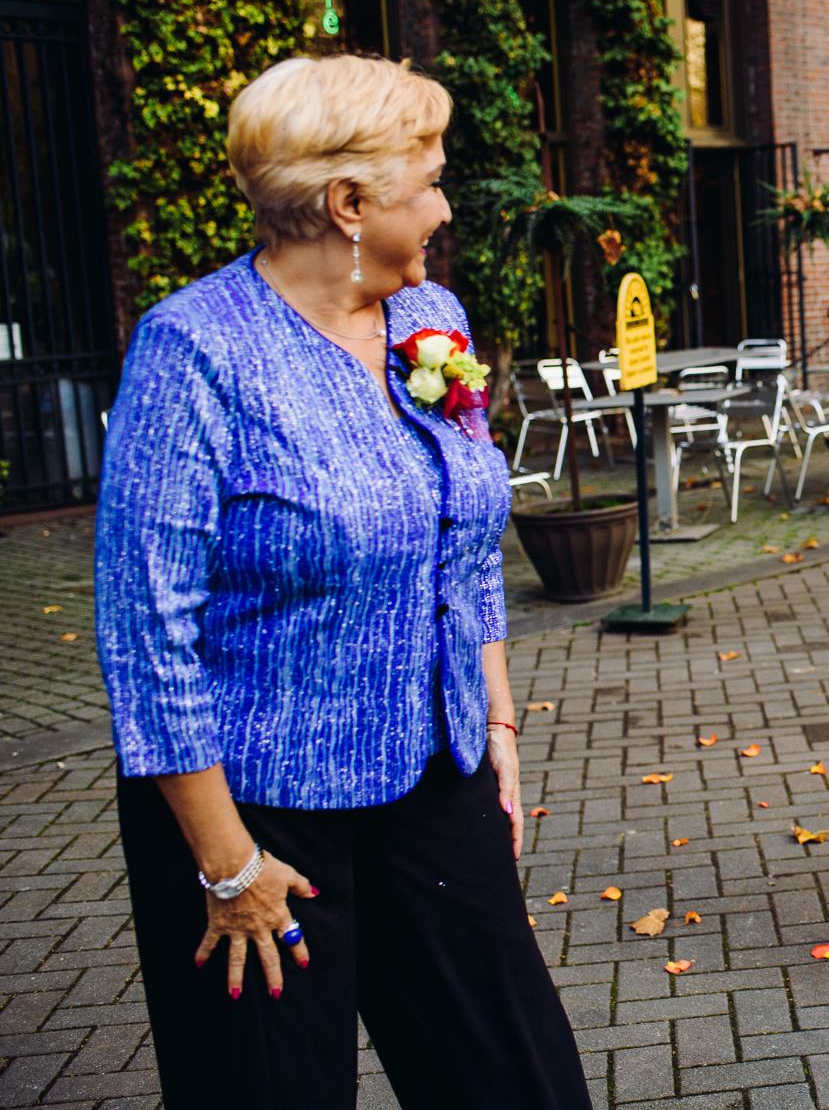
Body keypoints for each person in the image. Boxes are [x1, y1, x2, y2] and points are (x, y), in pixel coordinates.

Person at [95, 55, 590, 1109]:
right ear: (349, 203)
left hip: (435, 774)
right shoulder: (196, 350)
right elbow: (147, 633)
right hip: (259, 813)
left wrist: (495, 729)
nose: (447, 207)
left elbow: (462, 541)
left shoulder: (428, 319)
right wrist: (228, 868)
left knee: (518, 1079)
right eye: (432, 182)